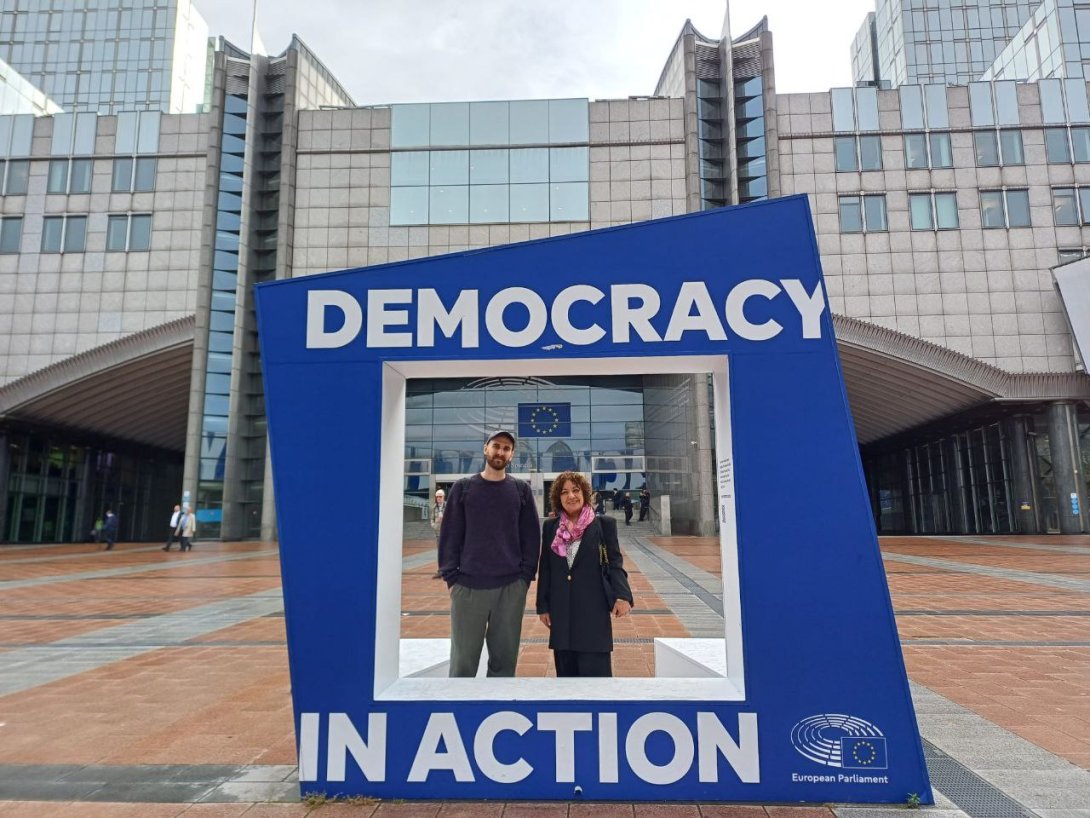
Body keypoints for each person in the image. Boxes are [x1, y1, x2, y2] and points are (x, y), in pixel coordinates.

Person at [437, 430, 541, 677]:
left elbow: (531, 538)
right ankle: (460, 713)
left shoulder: (520, 491)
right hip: (468, 588)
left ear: (512, 455)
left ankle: (500, 713)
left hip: (510, 588)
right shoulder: (463, 488)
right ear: (485, 449)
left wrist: (524, 579)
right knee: (462, 665)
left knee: (504, 665)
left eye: (506, 448)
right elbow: (450, 535)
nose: (500, 452)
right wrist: (452, 579)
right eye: (496, 446)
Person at [536, 471, 633, 677]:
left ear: (584, 493)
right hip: (561, 613)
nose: (571, 496)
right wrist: (543, 606)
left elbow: (615, 562)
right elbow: (545, 567)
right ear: (558, 498)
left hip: (593, 612)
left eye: (575, 490)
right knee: (566, 682)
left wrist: (623, 595)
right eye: (564, 492)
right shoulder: (551, 527)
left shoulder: (603, 525)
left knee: (596, 680)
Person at [430, 488, 446, 579]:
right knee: (440, 552)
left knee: (448, 551)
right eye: (437, 497)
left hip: (447, 533)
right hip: (438, 533)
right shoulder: (434, 507)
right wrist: (434, 525)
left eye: (440, 496)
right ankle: (440, 571)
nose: (439, 498)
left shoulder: (448, 506)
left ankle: (448, 570)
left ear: (443, 497)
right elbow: (431, 519)